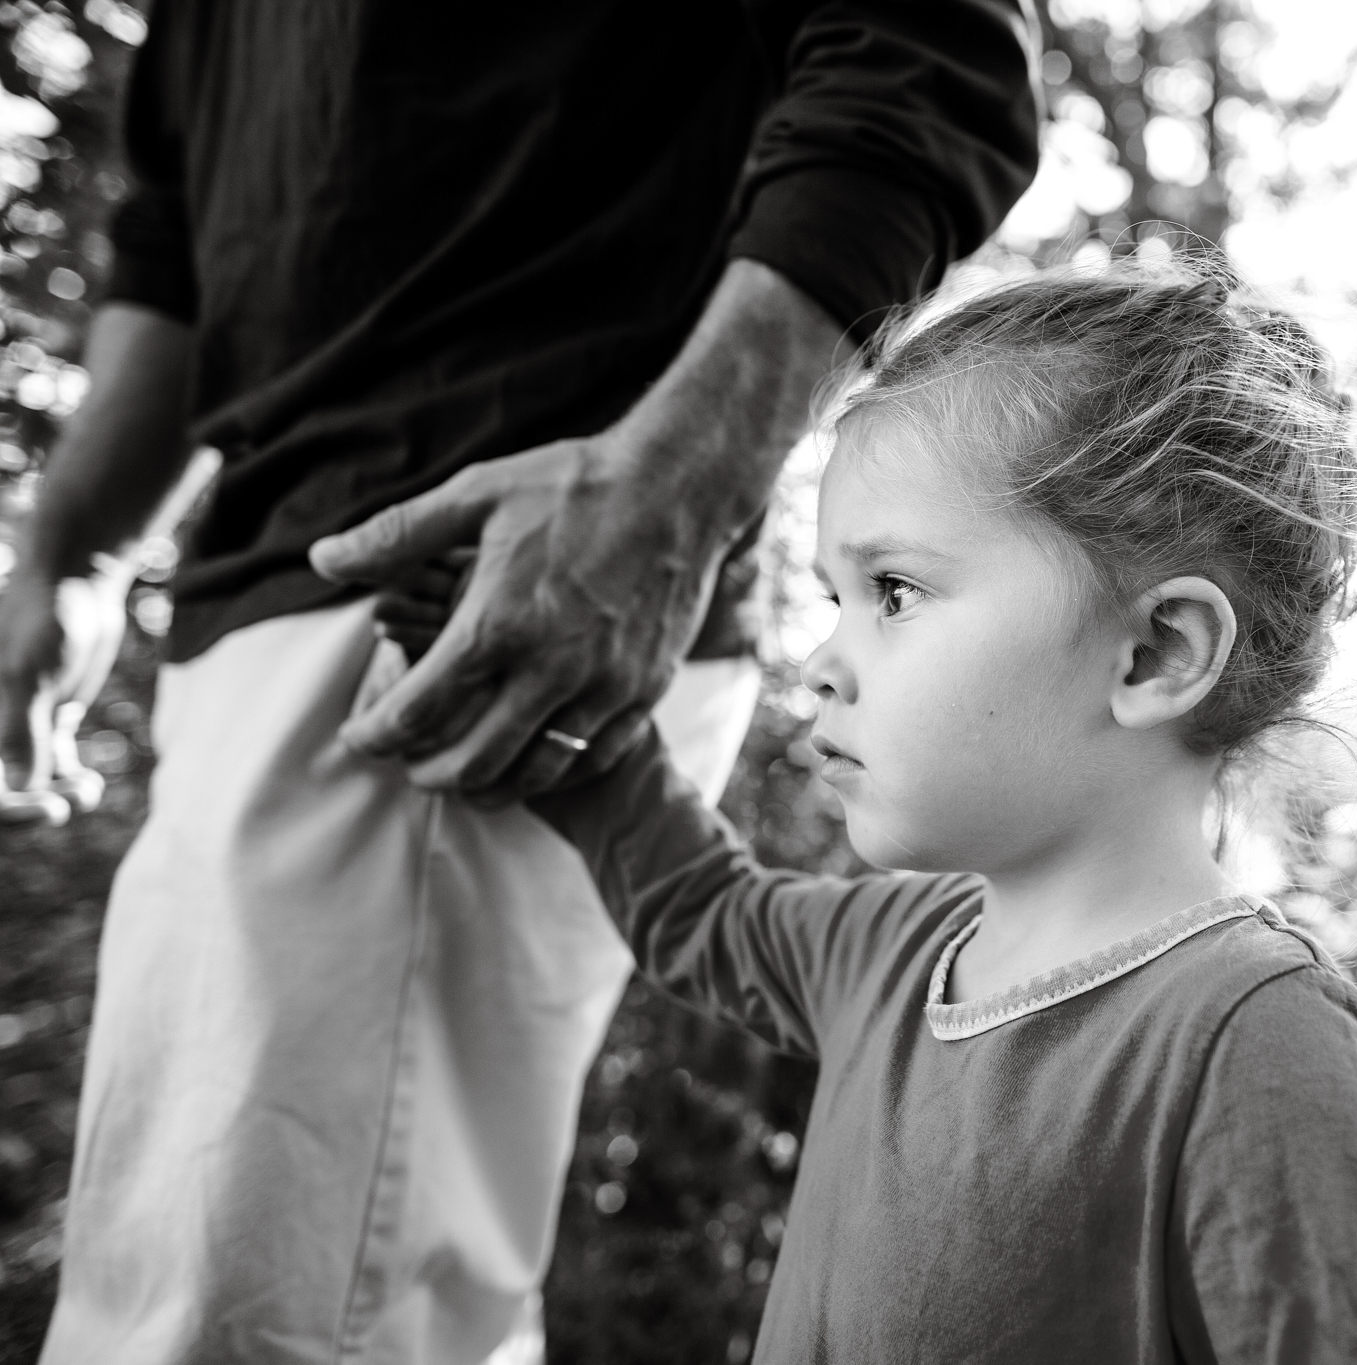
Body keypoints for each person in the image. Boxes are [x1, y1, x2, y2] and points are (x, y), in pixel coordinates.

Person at [0, 3, 1037, 1361]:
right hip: (260, 615)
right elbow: (179, 245)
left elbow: (925, 49)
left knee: (258, 1319)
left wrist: (664, 487)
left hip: (486, 602)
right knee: (188, 1286)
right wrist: (63, 550)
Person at [348, 263, 1357, 1362]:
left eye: (891, 592)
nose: (820, 663)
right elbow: (696, 906)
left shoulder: (1258, 1048)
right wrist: (539, 679)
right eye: (830, 599)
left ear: (1153, 652)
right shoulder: (891, 948)